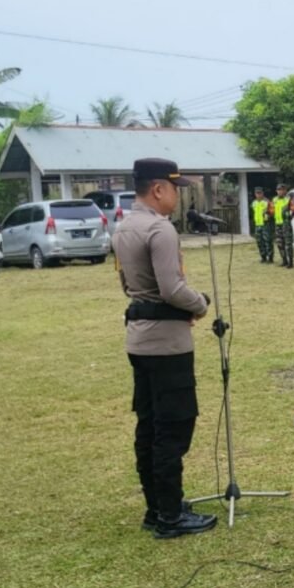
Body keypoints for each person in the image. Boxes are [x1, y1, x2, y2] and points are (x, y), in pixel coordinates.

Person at [112, 158, 216, 539]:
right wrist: (200, 304)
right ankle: (171, 516)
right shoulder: (159, 230)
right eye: (175, 188)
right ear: (158, 189)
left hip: (139, 337)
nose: (177, 195)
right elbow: (173, 289)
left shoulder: (124, 227)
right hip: (166, 345)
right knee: (173, 427)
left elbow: (130, 287)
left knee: (150, 424)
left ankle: (157, 507)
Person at [250, 186, 273, 263]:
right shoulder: (254, 203)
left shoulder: (267, 202)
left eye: (260, 193)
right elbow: (253, 212)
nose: (258, 195)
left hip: (265, 224)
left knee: (267, 241)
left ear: (263, 193)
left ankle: (270, 258)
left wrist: (268, 215)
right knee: (259, 242)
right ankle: (263, 257)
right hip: (257, 224)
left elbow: (272, 212)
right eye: (257, 193)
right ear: (255, 194)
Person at [276, 185, 294, 269]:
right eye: (279, 190)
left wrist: (289, 219)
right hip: (278, 224)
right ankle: (284, 260)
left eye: (282, 190)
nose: (280, 191)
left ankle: (290, 262)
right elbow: (271, 210)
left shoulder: (288, 200)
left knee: (288, 244)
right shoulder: (274, 200)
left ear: (285, 191)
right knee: (280, 243)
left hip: (286, 224)